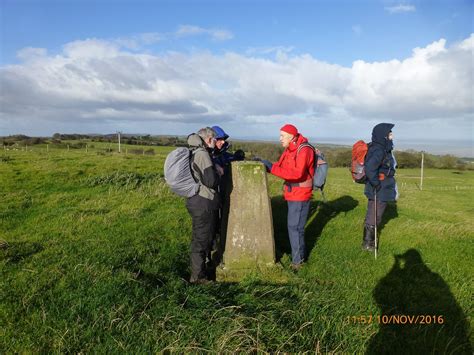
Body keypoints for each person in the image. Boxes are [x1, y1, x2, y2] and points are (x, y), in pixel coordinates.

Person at [258, 124, 315, 270]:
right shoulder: (290, 149)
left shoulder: (304, 150)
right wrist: (266, 166)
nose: (280, 139)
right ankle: (297, 257)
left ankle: (298, 261)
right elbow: (281, 167)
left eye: (282, 136)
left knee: (295, 227)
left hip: (300, 194)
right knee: (293, 227)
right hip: (292, 193)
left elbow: (297, 174)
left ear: (291, 136)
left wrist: (271, 167)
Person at [186, 127, 220, 284]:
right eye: (214, 139)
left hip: (197, 200)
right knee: (201, 240)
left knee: (202, 238)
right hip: (203, 202)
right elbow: (211, 181)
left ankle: (202, 271)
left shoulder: (195, 151)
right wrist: (219, 172)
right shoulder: (202, 154)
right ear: (208, 140)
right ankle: (198, 278)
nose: (215, 142)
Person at [363, 123, 398, 251]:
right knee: (375, 215)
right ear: (382, 135)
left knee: (374, 212)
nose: (391, 136)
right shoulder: (379, 149)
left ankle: (368, 242)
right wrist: (376, 184)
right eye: (389, 133)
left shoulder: (382, 147)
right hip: (379, 187)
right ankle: (368, 244)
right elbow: (370, 168)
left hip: (381, 187)